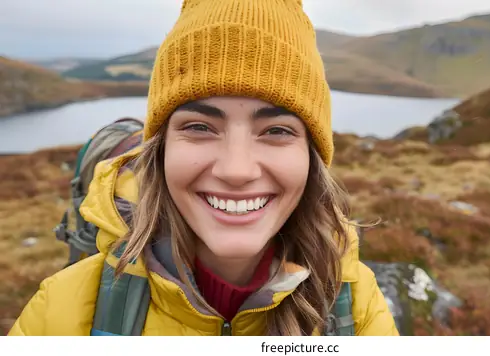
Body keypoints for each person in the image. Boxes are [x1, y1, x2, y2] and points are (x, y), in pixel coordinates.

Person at [9, 0, 399, 336]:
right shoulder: (60, 312)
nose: (236, 170)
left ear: (311, 158)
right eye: (199, 127)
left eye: (277, 130)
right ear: (159, 151)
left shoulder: (355, 308)